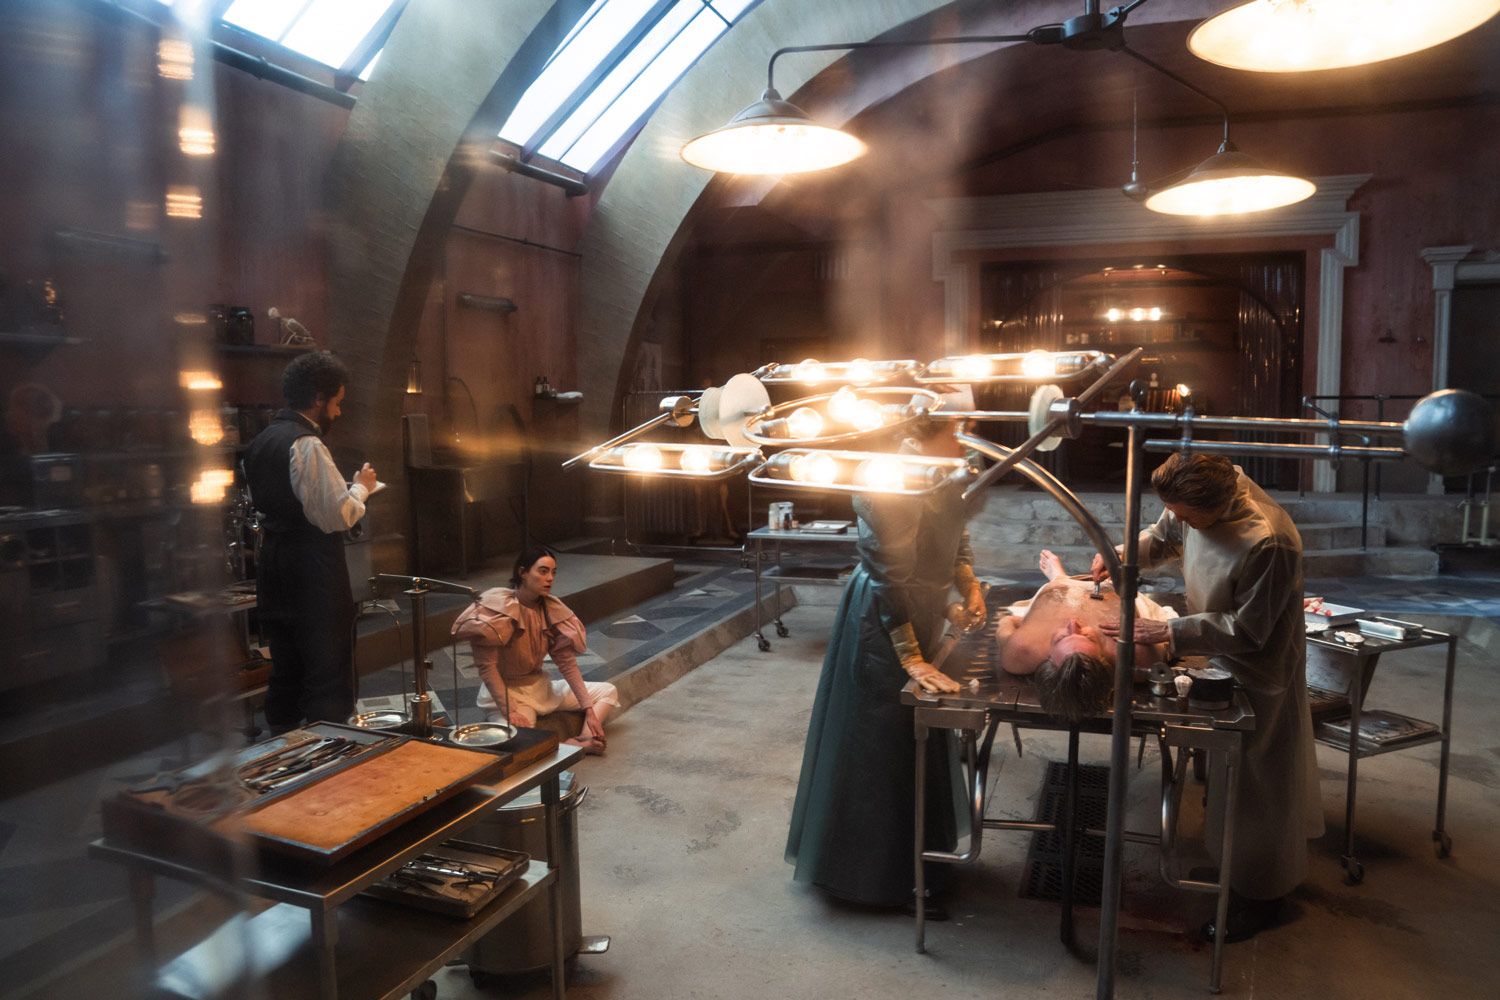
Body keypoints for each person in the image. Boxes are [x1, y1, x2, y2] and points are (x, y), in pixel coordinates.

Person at [1092, 452, 1322, 943]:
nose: (1180, 521)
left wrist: (1170, 631)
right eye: (1175, 511)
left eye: (1190, 517)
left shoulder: (1270, 541)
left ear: (1219, 506)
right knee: (1225, 774)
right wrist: (1121, 555)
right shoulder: (1195, 496)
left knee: (1258, 783)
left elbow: (1249, 629)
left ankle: (1261, 897)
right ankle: (1231, 861)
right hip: (1212, 649)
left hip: (1259, 665)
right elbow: (1164, 537)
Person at [785, 424, 985, 917]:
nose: (965, 438)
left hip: (923, 608)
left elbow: (955, 536)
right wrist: (910, 655)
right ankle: (875, 878)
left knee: (920, 734)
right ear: (925, 430)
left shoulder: (949, 468)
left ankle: (923, 863)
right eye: (956, 430)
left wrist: (968, 585)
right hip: (882, 615)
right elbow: (888, 579)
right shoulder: (889, 479)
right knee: (883, 738)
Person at [243, 351, 375, 733]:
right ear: (318, 398)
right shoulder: (307, 443)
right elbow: (337, 515)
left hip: (274, 563)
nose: (338, 412)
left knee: (286, 666)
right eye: (337, 402)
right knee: (327, 668)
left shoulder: (262, 440)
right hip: (312, 568)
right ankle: (330, 748)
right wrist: (361, 489)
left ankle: (283, 744)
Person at [451, 547, 619, 754]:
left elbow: (567, 663)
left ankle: (586, 738)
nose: (550, 578)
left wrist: (589, 711)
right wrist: (509, 710)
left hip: (540, 688)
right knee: (517, 738)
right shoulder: (497, 607)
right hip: (508, 694)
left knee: (608, 691)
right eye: (543, 571)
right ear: (522, 572)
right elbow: (488, 669)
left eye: (553, 572)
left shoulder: (551, 609)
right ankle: (572, 747)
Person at [996, 549, 1174, 725]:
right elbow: (1163, 636)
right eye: (1088, 637)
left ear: (1048, 658)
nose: (1073, 623)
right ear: (1104, 659)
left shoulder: (1020, 651)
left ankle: (1058, 577)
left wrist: (1031, 621)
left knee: (1054, 589)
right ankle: (1090, 580)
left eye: (1060, 638)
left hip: (1057, 590)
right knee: (1118, 589)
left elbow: (1006, 622)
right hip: (1111, 589)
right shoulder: (1136, 657)